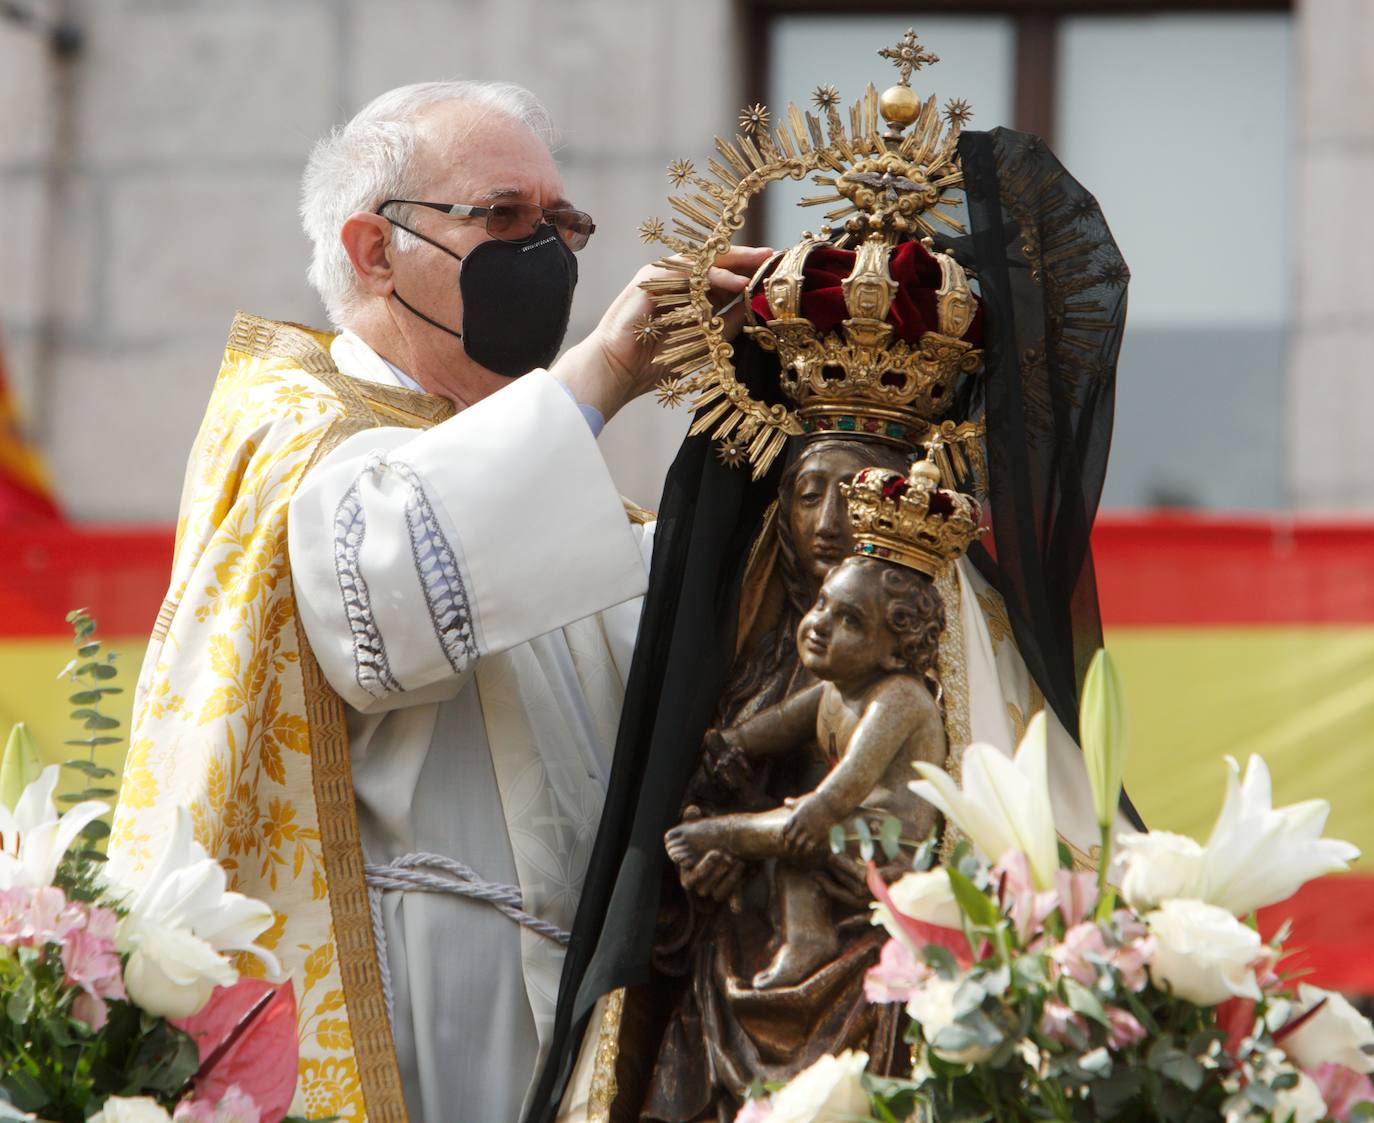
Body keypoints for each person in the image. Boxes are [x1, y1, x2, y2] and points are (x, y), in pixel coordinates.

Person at [107, 79, 767, 1123]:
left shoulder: (559, 493)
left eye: (562, 225)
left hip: (578, 1025)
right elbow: (389, 614)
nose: (545, 254)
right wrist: (600, 369)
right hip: (399, 998)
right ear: (373, 250)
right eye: (505, 218)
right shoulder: (293, 426)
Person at [666, 547, 948, 990]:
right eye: (822, 604)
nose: (820, 625)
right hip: (848, 826)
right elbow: (778, 725)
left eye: (850, 621)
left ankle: (721, 834)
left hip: (890, 843)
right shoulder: (836, 688)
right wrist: (730, 742)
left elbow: (853, 776)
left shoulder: (899, 699)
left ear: (897, 652)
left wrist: (819, 809)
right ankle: (807, 938)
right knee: (796, 851)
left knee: (795, 832)